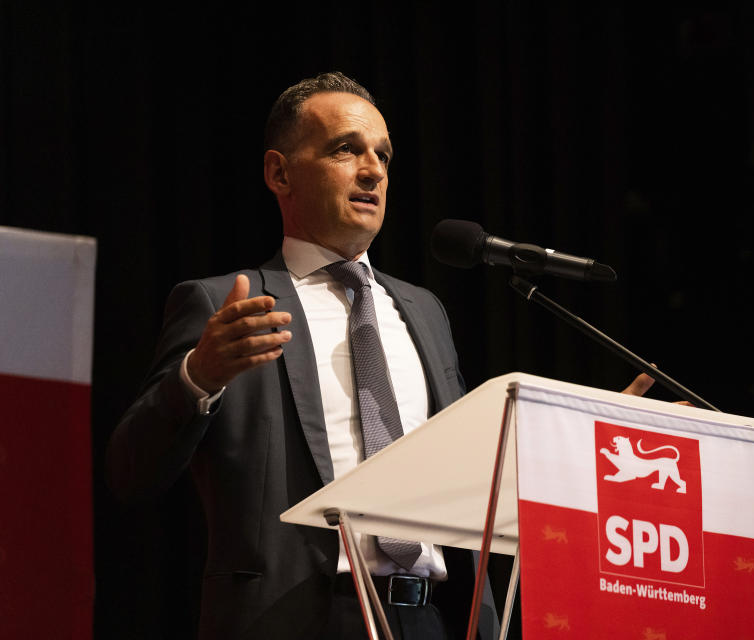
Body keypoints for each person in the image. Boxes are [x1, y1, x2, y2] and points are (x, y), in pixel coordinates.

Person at [107, 72, 482, 640]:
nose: (373, 170)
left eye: (382, 155)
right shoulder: (222, 303)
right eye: (345, 149)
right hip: (293, 618)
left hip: (428, 618)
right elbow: (129, 473)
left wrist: (552, 444)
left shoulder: (424, 311)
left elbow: (458, 477)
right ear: (279, 172)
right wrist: (197, 377)